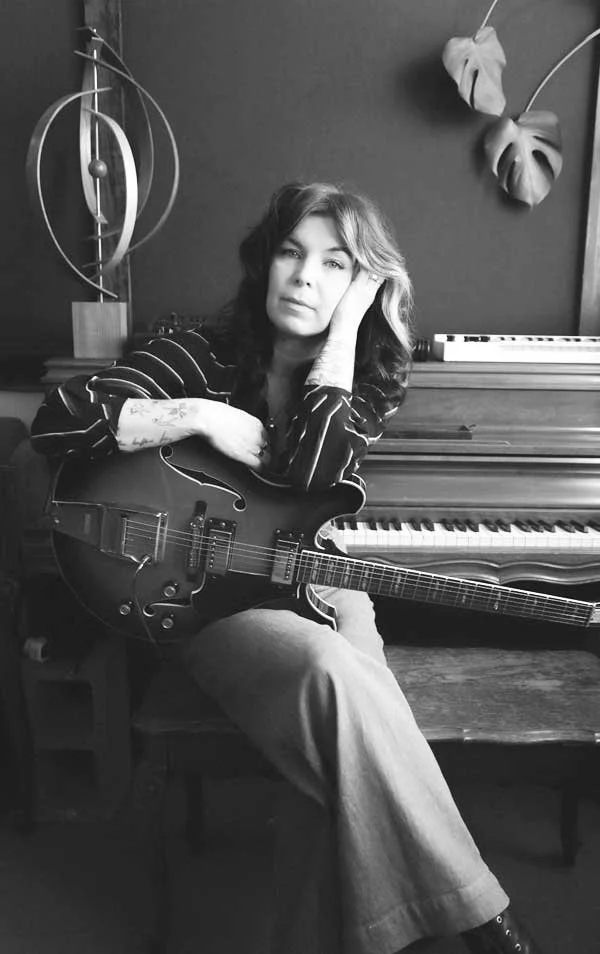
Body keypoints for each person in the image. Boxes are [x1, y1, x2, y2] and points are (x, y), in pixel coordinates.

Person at [31, 181, 543, 954]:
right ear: (263, 262)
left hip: (326, 580)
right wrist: (199, 414)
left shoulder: (362, 381)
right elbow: (58, 424)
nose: (304, 277)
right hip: (213, 600)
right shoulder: (195, 349)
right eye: (290, 252)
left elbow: (311, 470)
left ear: (359, 289)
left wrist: (342, 337)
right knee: (336, 680)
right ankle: (484, 923)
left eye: (335, 266)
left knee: (332, 767)